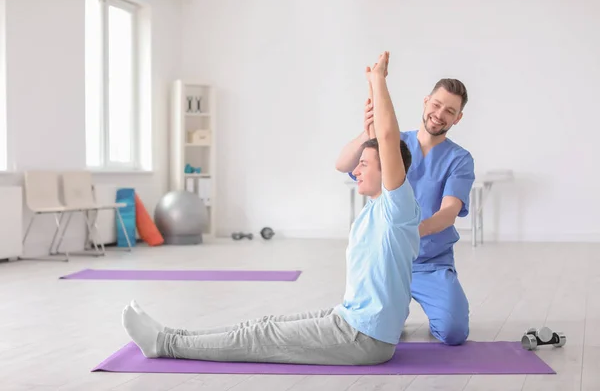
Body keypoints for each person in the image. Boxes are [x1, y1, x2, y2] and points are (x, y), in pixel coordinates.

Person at [122, 51, 422, 365]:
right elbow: (371, 144)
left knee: (259, 338)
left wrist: (378, 80)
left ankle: (163, 343)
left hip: (363, 337)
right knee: (262, 327)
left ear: (388, 171)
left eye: (363, 165)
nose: (356, 170)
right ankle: (171, 335)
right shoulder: (378, 207)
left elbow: (387, 140)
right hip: (352, 320)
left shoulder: (396, 207)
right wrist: (371, 104)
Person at [335, 77, 475, 346]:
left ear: (458, 118)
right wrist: (368, 134)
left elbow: (448, 213)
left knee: (453, 332)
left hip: (429, 262)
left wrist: (408, 230)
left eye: (450, 111)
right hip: (385, 261)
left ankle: (414, 304)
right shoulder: (392, 143)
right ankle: (394, 310)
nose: (440, 115)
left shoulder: (459, 159)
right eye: (437, 105)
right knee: (374, 328)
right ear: (425, 102)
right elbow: (343, 164)